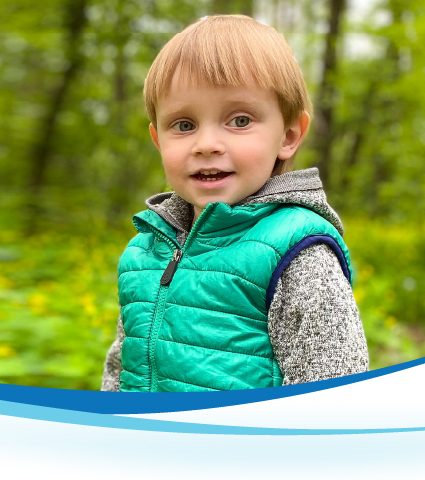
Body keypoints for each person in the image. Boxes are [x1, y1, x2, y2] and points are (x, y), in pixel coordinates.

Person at [100, 15, 368, 392]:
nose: (206, 143)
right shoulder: (145, 251)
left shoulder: (297, 253)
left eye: (239, 120)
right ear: (158, 139)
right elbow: (120, 370)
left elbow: (336, 392)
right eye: (183, 125)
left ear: (288, 136)